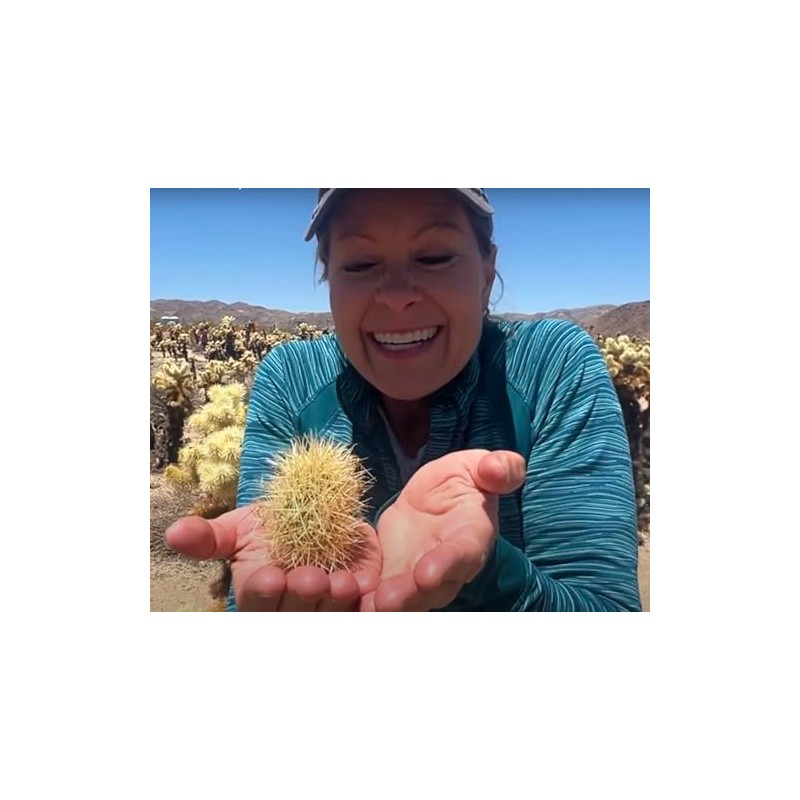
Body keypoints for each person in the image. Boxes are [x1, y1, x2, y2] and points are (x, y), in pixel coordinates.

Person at [166, 188, 642, 611]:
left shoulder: (551, 366)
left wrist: (489, 575)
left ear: (486, 270)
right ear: (328, 277)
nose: (396, 296)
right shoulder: (290, 379)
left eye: (434, 257)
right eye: (360, 264)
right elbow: (257, 588)